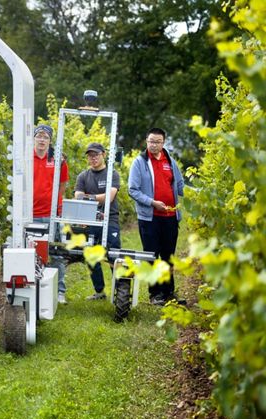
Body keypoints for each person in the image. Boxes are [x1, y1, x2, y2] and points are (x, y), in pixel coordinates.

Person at [128, 127, 185, 305]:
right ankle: (155, 294)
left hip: (170, 216)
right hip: (150, 217)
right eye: (151, 141)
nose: (154, 145)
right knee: (152, 255)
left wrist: (195, 195)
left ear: (163, 143)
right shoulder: (140, 162)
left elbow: (180, 185)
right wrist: (152, 202)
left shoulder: (170, 161)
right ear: (146, 141)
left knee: (168, 256)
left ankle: (168, 292)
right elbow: (132, 190)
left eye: (158, 142)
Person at [74, 143, 122, 301]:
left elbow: (109, 197)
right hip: (89, 220)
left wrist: (89, 197)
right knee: (90, 255)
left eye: (96, 155)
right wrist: (94, 198)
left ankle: (120, 289)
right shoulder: (83, 176)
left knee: (114, 253)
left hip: (110, 219)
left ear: (103, 154)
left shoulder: (112, 174)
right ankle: (100, 291)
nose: (93, 158)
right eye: (90, 155)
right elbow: (77, 197)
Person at [32, 124, 69, 304]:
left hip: (52, 214)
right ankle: (34, 287)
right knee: (32, 252)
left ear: (50, 141)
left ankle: (60, 291)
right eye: (39, 136)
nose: (41, 140)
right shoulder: (26, 158)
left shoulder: (58, 160)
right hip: (30, 214)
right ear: (33, 139)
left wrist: (56, 205)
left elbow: (62, 185)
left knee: (57, 252)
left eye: (45, 137)